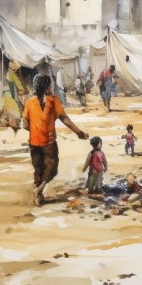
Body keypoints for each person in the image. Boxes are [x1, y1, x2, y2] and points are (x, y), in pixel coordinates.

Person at [22, 73, 89, 206]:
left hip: (34, 142)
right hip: (48, 142)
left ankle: (38, 196)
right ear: (47, 86)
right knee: (51, 169)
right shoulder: (53, 100)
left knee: (38, 169)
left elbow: (25, 125)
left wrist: (36, 129)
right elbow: (64, 119)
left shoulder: (29, 101)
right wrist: (78, 132)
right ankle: (39, 190)